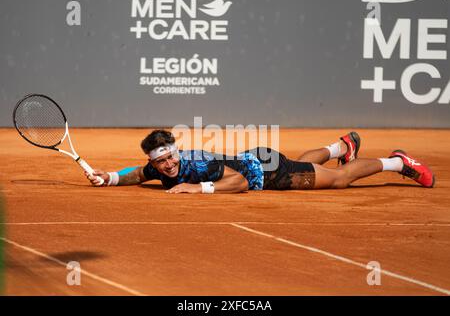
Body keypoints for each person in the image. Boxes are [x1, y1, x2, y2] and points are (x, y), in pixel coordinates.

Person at [85, 129, 435, 193]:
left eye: (170, 157)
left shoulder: (197, 166)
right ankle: (340, 146)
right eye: (160, 162)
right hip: (259, 157)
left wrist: (198, 188)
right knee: (309, 165)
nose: (167, 166)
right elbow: (138, 174)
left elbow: (237, 183)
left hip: (268, 173)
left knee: (338, 180)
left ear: (178, 151)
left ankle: (397, 163)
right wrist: (111, 177)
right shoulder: (158, 167)